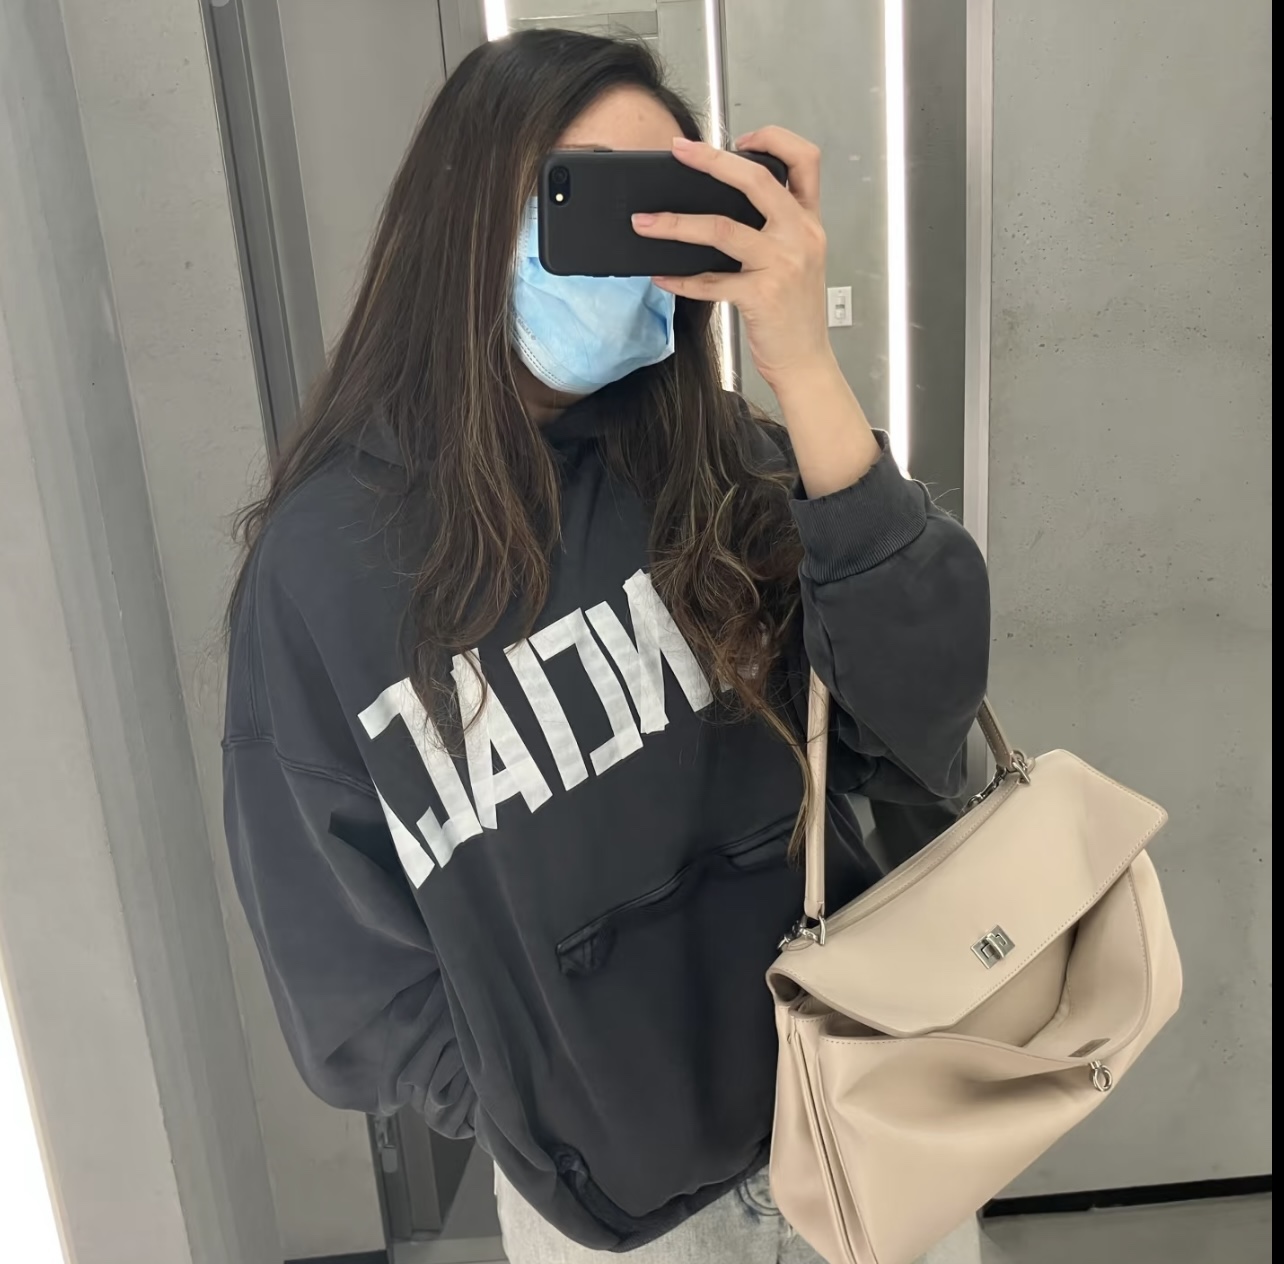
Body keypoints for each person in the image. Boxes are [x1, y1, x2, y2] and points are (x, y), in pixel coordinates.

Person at [222, 28, 989, 1264]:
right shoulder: (326, 567)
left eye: (664, 205)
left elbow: (922, 720)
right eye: (586, 198)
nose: (629, 249)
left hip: (872, 1113)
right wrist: (547, 1120)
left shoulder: (726, 458)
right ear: (469, 211)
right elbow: (337, 953)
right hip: (620, 1222)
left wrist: (804, 367)